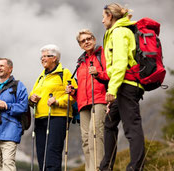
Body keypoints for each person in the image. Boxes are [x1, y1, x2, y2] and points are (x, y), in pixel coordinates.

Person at [99, 3, 145, 171]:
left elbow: (119, 63)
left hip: (126, 84)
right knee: (109, 124)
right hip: (121, 85)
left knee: (132, 126)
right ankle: (106, 167)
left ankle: (135, 167)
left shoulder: (119, 32)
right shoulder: (117, 31)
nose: (102, 20)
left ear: (110, 16)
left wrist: (111, 90)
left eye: (104, 16)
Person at [29, 44, 77, 171]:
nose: (42, 59)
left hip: (57, 117)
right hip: (40, 117)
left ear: (54, 58)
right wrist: (31, 99)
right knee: (41, 153)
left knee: (52, 152)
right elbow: (33, 93)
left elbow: (74, 94)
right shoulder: (41, 76)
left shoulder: (64, 73)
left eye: (46, 56)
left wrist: (57, 101)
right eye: (42, 57)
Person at [66, 29, 109, 170]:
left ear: (94, 39)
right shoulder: (81, 62)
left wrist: (98, 73)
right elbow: (82, 86)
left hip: (99, 99)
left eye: (89, 38)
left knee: (95, 135)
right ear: (80, 45)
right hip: (83, 103)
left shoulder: (102, 54)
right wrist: (73, 92)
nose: (87, 42)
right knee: (85, 139)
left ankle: (98, 168)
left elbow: (111, 74)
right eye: (83, 41)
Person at [0, 57, 29, 171]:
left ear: (10, 69)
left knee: (8, 165)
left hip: (10, 132)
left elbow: (23, 106)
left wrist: (6, 106)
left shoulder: (18, 86)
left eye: (2, 66)